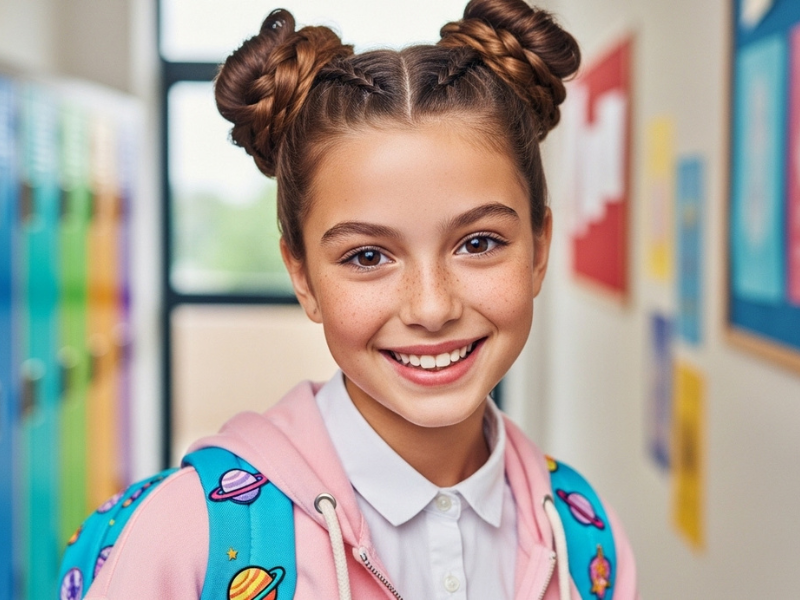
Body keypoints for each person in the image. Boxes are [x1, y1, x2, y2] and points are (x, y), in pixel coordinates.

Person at [83, 0, 638, 598]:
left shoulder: (583, 538)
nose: (431, 307)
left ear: (537, 249)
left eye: (478, 243)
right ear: (301, 274)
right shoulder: (189, 538)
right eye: (367, 256)